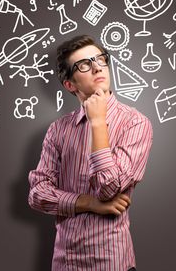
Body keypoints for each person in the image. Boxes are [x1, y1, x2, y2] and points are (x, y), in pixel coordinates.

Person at [28, 35, 153, 270]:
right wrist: (87, 203)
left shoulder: (135, 123)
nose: (96, 67)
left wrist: (97, 122)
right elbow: (37, 194)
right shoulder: (58, 130)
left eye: (100, 59)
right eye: (84, 64)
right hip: (65, 262)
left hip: (111, 262)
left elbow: (108, 189)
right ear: (70, 85)